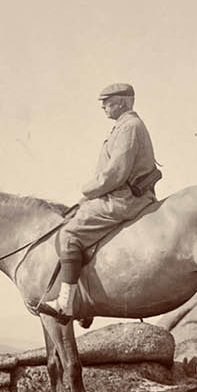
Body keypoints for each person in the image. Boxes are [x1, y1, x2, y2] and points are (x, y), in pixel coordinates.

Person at [41, 83, 160, 319]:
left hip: (124, 198)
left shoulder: (129, 127)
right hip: (120, 194)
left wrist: (86, 192)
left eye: (107, 101)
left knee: (69, 234)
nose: (103, 106)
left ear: (123, 102)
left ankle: (66, 303)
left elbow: (116, 172)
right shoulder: (124, 126)